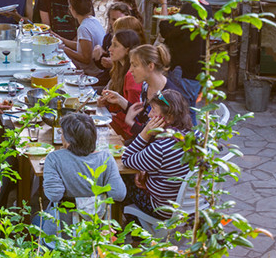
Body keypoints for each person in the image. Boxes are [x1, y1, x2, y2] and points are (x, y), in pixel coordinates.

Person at [33, 113, 126, 242]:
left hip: (61, 233)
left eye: (62, 133)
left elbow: (54, 195)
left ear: (69, 141)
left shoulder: (54, 159)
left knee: (36, 221)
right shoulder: (106, 158)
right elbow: (119, 194)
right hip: (95, 232)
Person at [121, 89, 195, 219]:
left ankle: (135, 229)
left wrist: (145, 133)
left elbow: (126, 159)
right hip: (191, 205)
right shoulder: (196, 136)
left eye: (154, 110)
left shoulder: (160, 148)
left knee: (121, 181)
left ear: (169, 117)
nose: (149, 115)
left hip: (164, 209)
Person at [100, 44, 190, 140]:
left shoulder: (166, 98)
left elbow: (158, 137)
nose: (130, 70)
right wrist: (120, 100)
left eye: (135, 65)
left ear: (150, 66)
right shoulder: (146, 86)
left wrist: (131, 123)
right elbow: (144, 115)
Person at [155, 0, 213, 109]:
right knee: (190, 110)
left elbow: (165, 30)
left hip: (184, 71)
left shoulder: (191, 8)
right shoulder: (206, 6)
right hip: (197, 70)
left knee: (179, 111)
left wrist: (163, 3)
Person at [97, 30, 142, 140]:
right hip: (118, 123)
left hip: (128, 133)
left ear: (127, 50)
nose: (110, 49)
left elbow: (134, 112)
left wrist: (112, 115)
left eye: (115, 45)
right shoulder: (118, 68)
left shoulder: (131, 76)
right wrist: (107, 101)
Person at [53, 0, 104, 76]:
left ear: (72, 9)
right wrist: (60, 39)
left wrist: (63, 49)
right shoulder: (94, 20)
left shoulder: (83, 28)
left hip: (92, 74)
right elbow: (81, 46)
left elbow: (86, 59)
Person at [92, 2, 132, 84]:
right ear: (109, 20)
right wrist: (98, 58)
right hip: (107, 79)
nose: (116, 22)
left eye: (120, 19)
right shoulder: (108, 37)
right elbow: (104, 67)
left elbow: (132, 68)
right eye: (113, 19)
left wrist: (114, 64)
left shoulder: (131, 39)